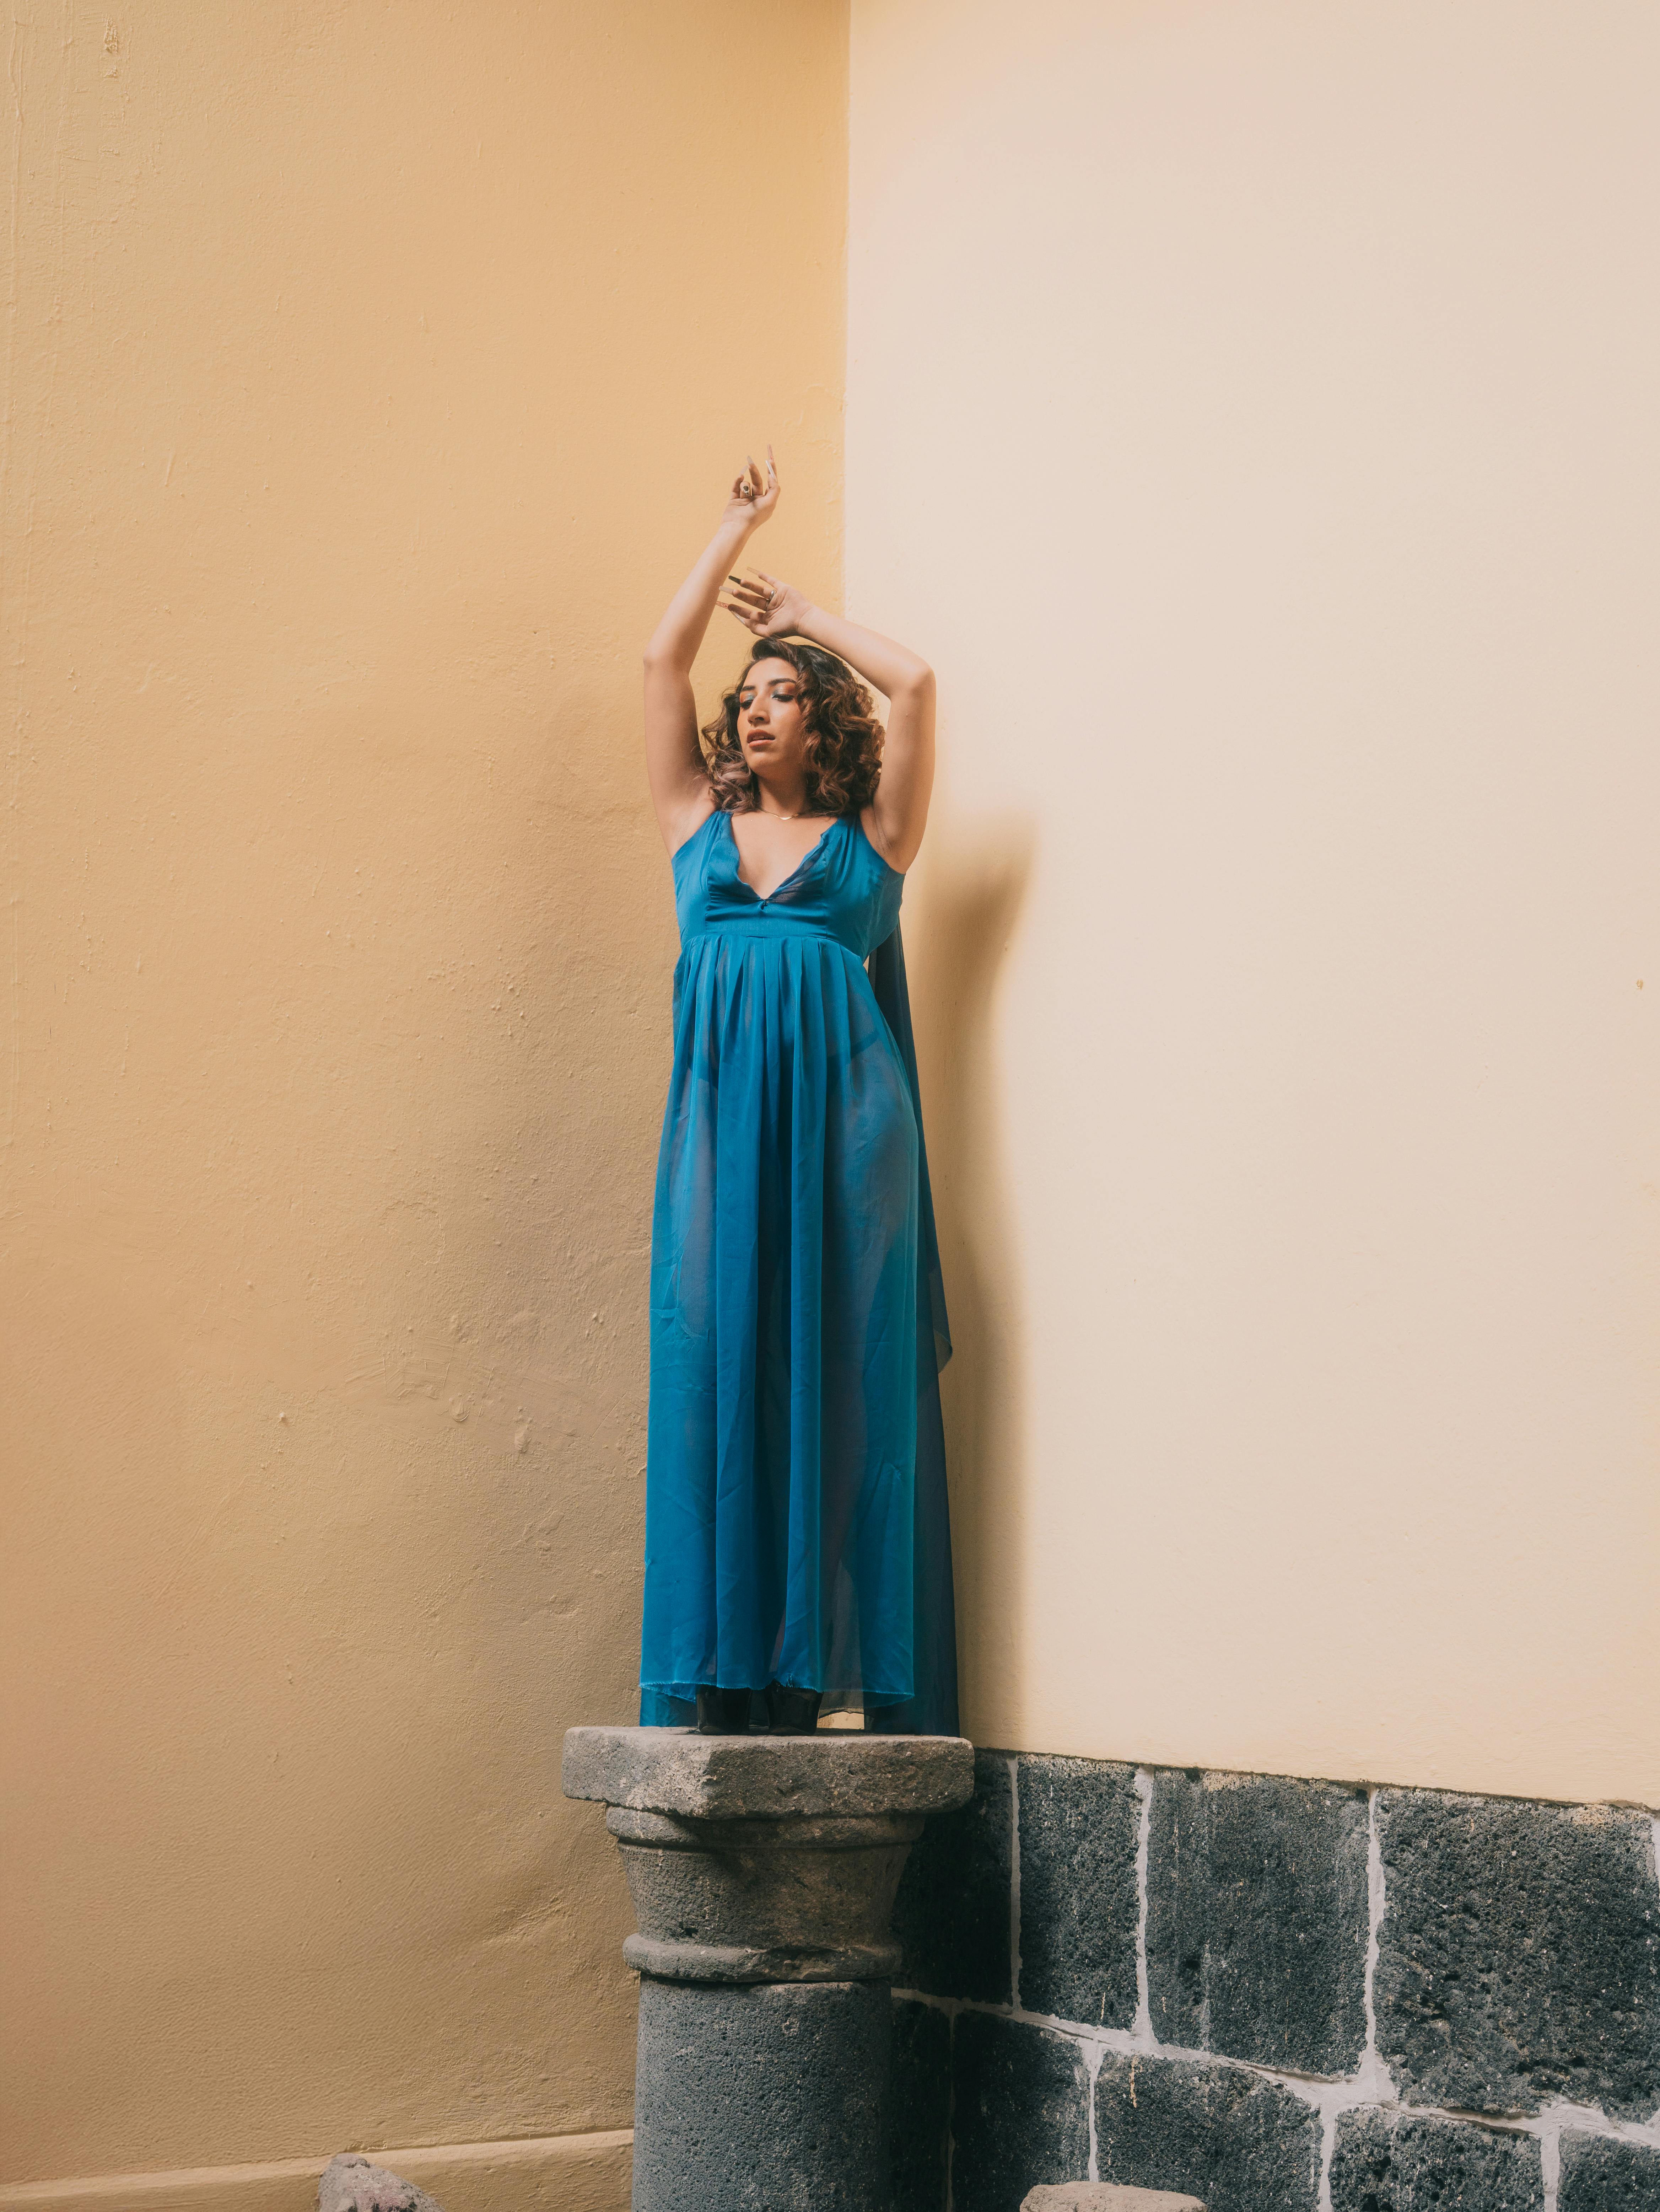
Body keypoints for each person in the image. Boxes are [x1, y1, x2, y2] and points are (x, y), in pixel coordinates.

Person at [637, 446, 956, 1736]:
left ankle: (830, 1675)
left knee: (846, 1382)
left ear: (825, 722)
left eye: (784, 696)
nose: (756, 710)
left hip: (851, 1134)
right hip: (721, 1132)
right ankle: (726, 1667)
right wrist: (734, 530)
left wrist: (807, 618)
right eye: (749, 696)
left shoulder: (873, 843)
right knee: (710, 1361)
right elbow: (659, 662)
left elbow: (917, 681)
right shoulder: (695, 827)